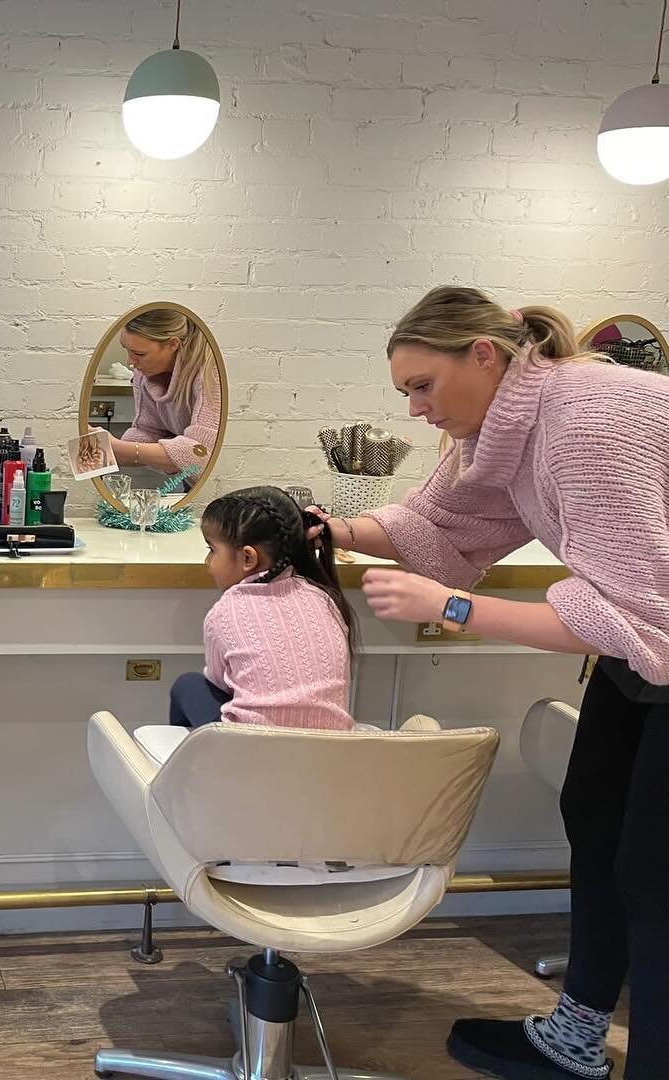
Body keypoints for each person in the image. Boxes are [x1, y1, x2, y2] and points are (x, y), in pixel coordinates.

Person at [313, 286, 669, 1080]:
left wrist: (454, 606)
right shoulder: (503, 433)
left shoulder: (585, 420)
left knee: (654, 868)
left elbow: (629, 614)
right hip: (646, 647)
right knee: (598, 822)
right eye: (404, 391)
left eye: (422, 386)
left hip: (656, 633)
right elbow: (437, 524)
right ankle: (576, 1040)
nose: (414, 410)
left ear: (483, 354)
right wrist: (330, 528)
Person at [170, 485, 355, 730]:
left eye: (211, 550)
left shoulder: (225, 612)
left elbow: (219, 684)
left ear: (248, 558)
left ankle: (190, 764)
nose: (207, 562)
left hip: (252, 755)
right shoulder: (325, 600)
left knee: (188, 685)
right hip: (331, 753)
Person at [97, 307, 222, 478]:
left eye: (139, 353)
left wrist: (117, 448)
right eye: (126, 349)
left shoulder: (211, 370)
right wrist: (96, 450)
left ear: (173, 344)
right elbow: (148, 432)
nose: (130, 362)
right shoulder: (144, 373)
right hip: (194, 484)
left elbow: (201, 454)